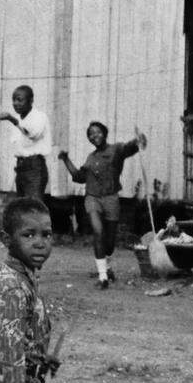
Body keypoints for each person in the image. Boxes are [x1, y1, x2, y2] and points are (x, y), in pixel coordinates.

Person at [0, 197, 58, 383]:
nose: (40, 243)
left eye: (46, 235)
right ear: (6, 240)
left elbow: (22, 337)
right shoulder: (12, 287)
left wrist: (41, 359)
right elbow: (9, 355)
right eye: (28, 235)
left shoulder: (24, 278)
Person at [58, 121, 146, 289]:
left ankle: (108, 267)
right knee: (98, 232)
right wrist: (65, 159)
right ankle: (103, 277)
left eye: (97, 132)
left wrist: (138, 140)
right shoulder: (91, 158)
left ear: (105, 133)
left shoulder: (116, 150)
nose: (94, 136)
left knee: (110, 243)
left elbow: (131, 147)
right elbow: (78, 177)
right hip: (92, 199)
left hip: (111, 199)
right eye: (90, 134)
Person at [0, 85, 52, 200]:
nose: (15, 103)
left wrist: (13, 120)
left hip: (35, 167)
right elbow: (18, 148)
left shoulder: (39, 117)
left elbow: (32, 134)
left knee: (32, 207)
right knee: (22, 208)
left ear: (31, 101)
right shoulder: (18, 119)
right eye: (14, 100)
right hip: (20, 168)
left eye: (19, 100)